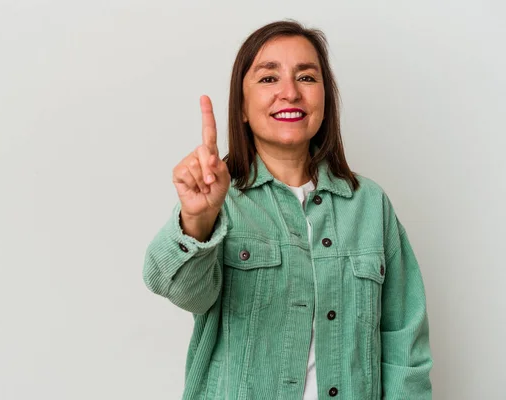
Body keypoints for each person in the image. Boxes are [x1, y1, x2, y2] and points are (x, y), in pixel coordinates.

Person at [143, 20, 432, 400]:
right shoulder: (220, 199)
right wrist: (197, 219)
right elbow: (180, 290)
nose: (290, 92)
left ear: (325, 100)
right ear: (242, 107)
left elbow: (404, 344)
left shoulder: (370, 205)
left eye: (307, 78)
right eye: (268, 79)